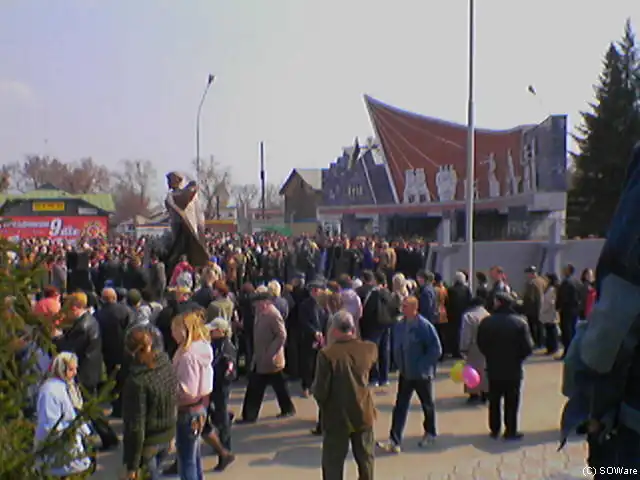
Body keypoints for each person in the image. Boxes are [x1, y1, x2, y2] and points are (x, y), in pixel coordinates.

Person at [313, 311, 377, 480]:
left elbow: (320, 390)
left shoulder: (327, 355)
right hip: (363, 413)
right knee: (366, 459)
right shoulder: (369, 349)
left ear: (334, 330)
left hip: (336, 417)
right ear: (353, 328)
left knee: (333, 464)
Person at [377, 296, 442, 453]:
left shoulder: (424, 326)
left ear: (414, 308)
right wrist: (398, 363)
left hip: (421, 375)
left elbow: (436, 349)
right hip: (405, 373)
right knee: (400, 406)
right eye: (403, 306)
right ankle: (394, 440)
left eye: (406, 306)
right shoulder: (400, 325)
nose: (403, 309)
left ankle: (430, 433)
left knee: (427, 404)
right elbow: (396, 345)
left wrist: (423, 366)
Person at [121, 328, 177, 480]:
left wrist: (132, 465)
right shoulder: (166, 365)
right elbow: (173, 398)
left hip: (149, 443)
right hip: (167, 435)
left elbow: (136, 425)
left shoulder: (136, 381)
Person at [477, 292, 534, 440]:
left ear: (498, 303)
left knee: (494, 400)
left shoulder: (487, 322)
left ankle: (494, 429)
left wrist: (490, 355)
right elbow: (528, 347)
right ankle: (511, 430)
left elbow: (481, 343)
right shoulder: (520, 323)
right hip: (513, 369)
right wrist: (518, 358)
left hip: (493, 367)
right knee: (512, 401)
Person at [170, 311, 217, 480]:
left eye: (175, 329)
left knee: (186, 460)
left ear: (185, 330)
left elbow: (188, 390)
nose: (172, 333)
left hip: (187, 410)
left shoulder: (187, 355)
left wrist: (169, 389)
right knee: (194, 456)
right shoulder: (201, 349)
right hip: (200, 407)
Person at [34, 352, 94, 477]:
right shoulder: (50, 390)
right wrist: (67, 432)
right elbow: (49, 423)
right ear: (61, 369)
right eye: (71, 369)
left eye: (76, 369)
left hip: (72, 443)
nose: (75, 373)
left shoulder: (69, 386)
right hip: (59, 446)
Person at [239, 291, 296, 422]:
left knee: (255, 387)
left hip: (270, 359)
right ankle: (287, 408)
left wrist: (271, 352)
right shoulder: (260, 313)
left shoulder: (273, 315)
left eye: (257, 303)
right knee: (278, 385)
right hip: (261, 357)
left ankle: (250, 416)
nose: (255, 306)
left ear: (265, 302)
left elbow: (282, 335)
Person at [202, 317, 237, 472]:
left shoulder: (227, 347)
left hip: (220, 387)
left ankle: (225, 447)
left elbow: (230, 368)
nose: (210, 332)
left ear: (221, 331)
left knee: (221, 416)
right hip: (212, 385)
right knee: (214, 413)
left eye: (213, 330)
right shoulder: (213, 344)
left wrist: (224, 379)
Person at [163, 171, 209, 279]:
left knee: (187, 253)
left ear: (178, 180)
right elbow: (172, 204)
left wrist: (200, 228)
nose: (168, 183)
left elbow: (197, 212)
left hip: (188, 228)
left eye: (170, 180)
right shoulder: (171, 196)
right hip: (177, 228)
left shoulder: (188, 194)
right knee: (175, 254)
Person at [459, 297, 490, 404]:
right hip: (486, 345)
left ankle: (473, 393)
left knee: (471, 370)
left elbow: (465, 334)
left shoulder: (468, 316)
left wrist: (463, 347)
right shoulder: (487, 315)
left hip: (473, 345)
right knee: (484, 369)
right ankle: (485, 392)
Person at [540, 273, 560, 355]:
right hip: (547, 313)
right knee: (548, 331)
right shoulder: (548, 288)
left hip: (549, 312)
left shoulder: (552, 289)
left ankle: (553, 348)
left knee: (551, 331)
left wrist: (544, 309)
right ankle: (550, 348)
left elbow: (551, 301)